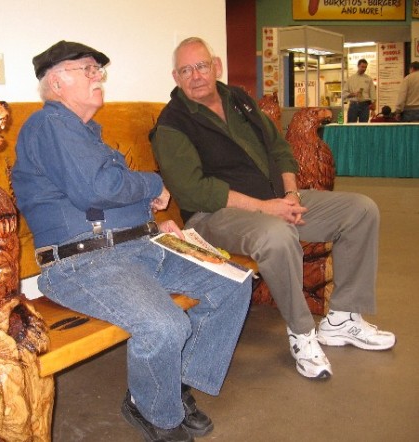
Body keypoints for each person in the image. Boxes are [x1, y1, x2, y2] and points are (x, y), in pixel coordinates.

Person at [11, 40, 252, 442]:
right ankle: (153, 409)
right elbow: (95, 189)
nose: (97, 77)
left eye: (97, 70)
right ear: (56, 84)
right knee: (164, 325)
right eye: (86, 70)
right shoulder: (49, 125)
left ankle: (169, 388)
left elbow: (107, 198)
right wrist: (152, 183)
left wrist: (154, 226)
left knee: (233, 281)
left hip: (141, 247)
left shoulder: (89, 137)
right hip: (84, 263)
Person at [150, 37, 396, 381]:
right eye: (186, 70)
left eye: (202, 66)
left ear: (216, 66)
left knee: (360, 209)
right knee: (276, 234)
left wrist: (292, 196)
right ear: (175, 77)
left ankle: (342, 319)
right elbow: (194, 192)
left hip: (276, 201)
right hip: (215, 217)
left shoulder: (238, 100)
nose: (196, 76)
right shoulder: (172, 123)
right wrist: (267, 208)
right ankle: (301, 333)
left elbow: (280, 149)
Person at [343, 58, 376, 123]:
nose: (364, 69)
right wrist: (353, 94)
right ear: (358, 66)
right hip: (353, 105)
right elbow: (344, 93)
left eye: (365, 67)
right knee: (351, 126)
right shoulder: (351, 79)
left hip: (365, 105)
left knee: (363, 127)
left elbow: (373, 94)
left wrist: (373, 109)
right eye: (362, 67)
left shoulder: (369, 79)